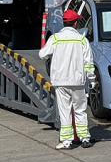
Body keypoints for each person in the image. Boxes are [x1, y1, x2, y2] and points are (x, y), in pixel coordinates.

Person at [40, 9, 95, 149]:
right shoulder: (82, 40)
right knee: (80, 110)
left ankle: (66, 141)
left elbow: (42, 54)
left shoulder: (56, 38)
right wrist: (92, 80)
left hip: (60, 81)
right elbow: (88, 63)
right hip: (78, 81)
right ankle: (85, 138)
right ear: (75, 23)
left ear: (64, 23)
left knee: (64, 111)